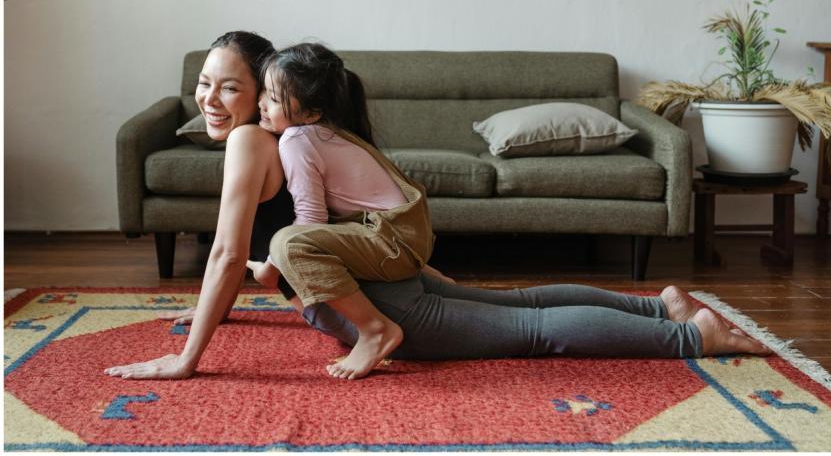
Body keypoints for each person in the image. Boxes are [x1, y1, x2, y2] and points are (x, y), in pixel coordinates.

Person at [104, 36, 770, 382]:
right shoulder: (302, 136)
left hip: (386, 305)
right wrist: (222, 298)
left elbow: (246, 249)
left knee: (533, 332)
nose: (211, 100)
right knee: (527, 306)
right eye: (203, 85)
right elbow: (280, 246)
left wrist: (188, 356)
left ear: (270, 94)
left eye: (232, 87)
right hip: (387, 274)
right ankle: (663, 306)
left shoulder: (264, 140)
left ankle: (689, 334)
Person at [250, 43, 445, 379]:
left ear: (311, 112)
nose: (262, 104)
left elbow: (311, 221)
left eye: (274, 98)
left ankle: (374, 329)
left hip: (394, 243)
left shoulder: (296, 139)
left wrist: (271, 267)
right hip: (404, 237)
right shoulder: (327, 133)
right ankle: (424, 273)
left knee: (288, 243)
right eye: (263, 93)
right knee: (295, 242)